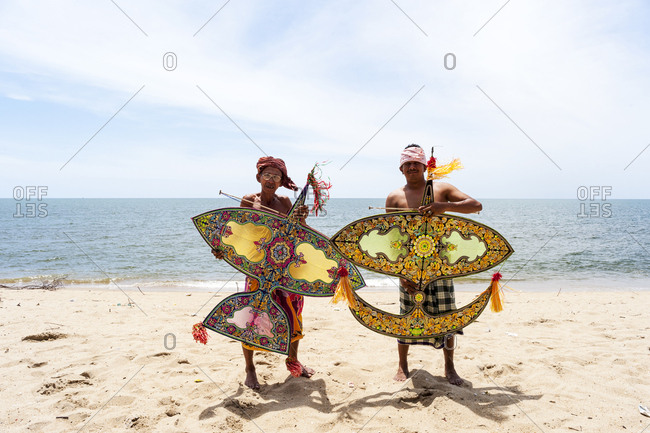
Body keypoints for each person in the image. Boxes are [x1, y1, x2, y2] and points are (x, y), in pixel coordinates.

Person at [212, 156, 313, 389]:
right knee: (252, 316)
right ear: (258, 177)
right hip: (258, 269)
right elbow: (236, 233)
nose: (271, 179)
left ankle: (293, 361)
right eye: (266, 175)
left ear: (281, 181)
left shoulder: (286, 201)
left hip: (285, 269)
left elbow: (300, 233)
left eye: (276, 176)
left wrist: (301, 220)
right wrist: (221, 249)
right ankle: (250, 368)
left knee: (294, 314)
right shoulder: (249, 200)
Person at [385, 144, 482, 386]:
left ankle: (450, 367)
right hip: (408, 266)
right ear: (401, 167)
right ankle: (402, 365)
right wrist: (399, 274)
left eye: (416, 162)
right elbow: (390, 239)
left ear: (425, 165)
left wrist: (444, 206)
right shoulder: (395, 197)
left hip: (440, 266)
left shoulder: (442, 189)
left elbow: (476, 205)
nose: (411, 167)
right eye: (407, 163)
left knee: (447, 316)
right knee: (406, 317)